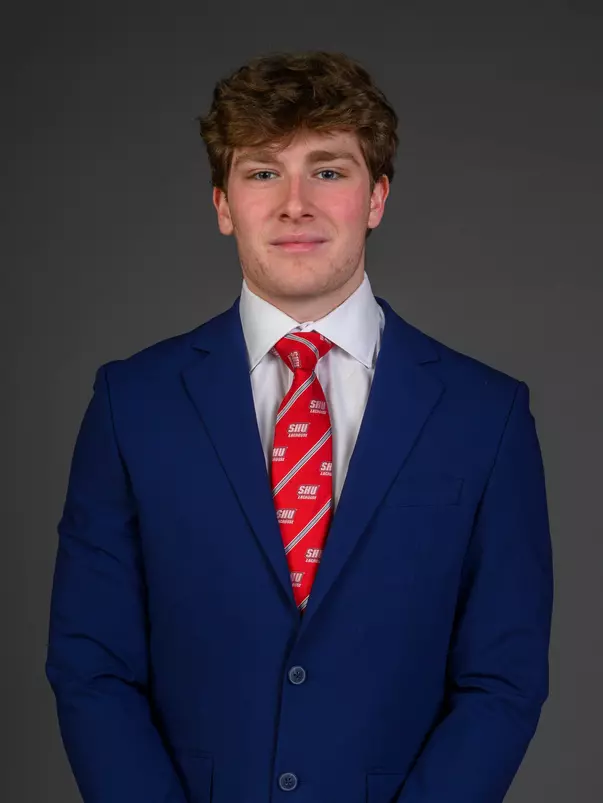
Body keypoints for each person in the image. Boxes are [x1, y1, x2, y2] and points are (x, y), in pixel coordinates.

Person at [45, 50, 554, 803]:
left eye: (327, 170)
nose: (294, 203)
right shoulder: (132, 403)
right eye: (260, 173)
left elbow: (502, 678)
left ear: (376, 197)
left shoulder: (487, 414)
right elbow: (91, 663)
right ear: (222, 205)